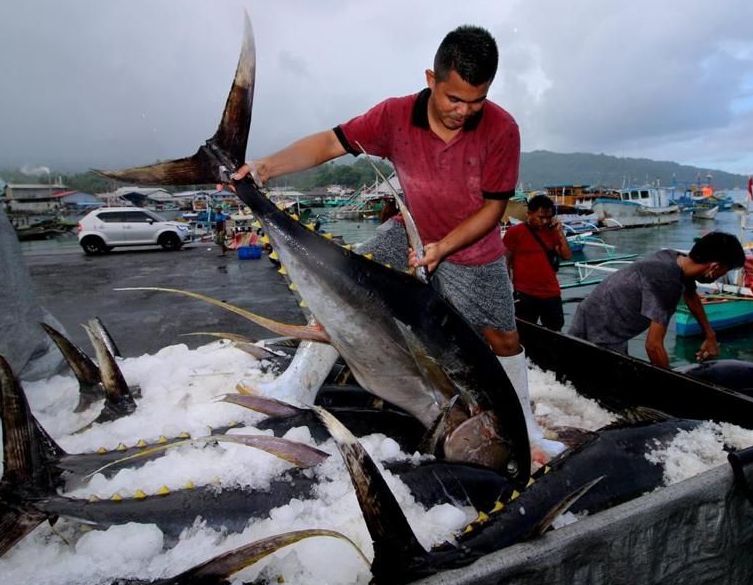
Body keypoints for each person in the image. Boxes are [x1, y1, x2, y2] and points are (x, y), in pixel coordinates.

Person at [234, 25, 558, 462]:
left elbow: (493, 209)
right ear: (431, 79)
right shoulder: (394, 116)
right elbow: (330, 142)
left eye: (476, 101)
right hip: (410, 230)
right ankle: (298, 386)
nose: (464, 111)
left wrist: (444, 247)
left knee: (503, 337)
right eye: (454, 99)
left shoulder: (502, 129)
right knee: (344, 286)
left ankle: (526, 429)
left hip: (472, 249)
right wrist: (266, 167)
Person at [568, 232, 745, 368]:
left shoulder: (674, 258)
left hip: (593, 313)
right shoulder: (667, 282)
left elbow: (690, 294)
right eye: (725, 270)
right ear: (715, 266)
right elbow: (653, 346)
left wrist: (710, 334)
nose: (722, 275)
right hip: (602, 332)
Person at [503, 195, 572, 331]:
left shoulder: (553, 232)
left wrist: (559, 232)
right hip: (525, 293)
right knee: (524, 332)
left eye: (549, 217)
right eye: (540, 217)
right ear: (529, 213)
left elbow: (567, 255)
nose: (545, 221)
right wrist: (507, 290)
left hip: (551, 292)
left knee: (555, 331)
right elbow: (505, 261)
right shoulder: (515, 232)